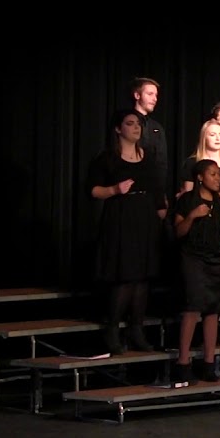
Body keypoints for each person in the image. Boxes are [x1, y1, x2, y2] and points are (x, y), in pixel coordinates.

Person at [86, 108, 168, 355]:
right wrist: (114, 190)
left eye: (138, 125)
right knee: (125, 275)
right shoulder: (108, 158)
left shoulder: (147, 156)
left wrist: (161, 210)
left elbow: (156, 188)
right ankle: (112, 328)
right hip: (121, 217)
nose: (136, 128)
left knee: (143, 277)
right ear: (118, 128)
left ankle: (136, 329)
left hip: (145, 218)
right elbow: (92, 190)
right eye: (130, 123)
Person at [171, 159, 220, 384]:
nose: (217, 178)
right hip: (193, 258)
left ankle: (209, 363)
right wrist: (193, 215)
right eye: (212, 174)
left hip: (217, 259)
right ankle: (183, 363)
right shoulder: (188, 200)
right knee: (192, 308)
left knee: (212, 310)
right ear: (200, 177)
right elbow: (178, 232)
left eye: (219, 175)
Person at [180, 119, 220, 246]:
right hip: (199, 218)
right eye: (212, 135)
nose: (217, 138)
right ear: (204, 137)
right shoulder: (192, 163)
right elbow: (188, 194)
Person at [130, 77, 170, 198]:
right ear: (137, 95)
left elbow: (161, 164)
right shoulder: (126, 122)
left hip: (152, 194)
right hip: (129, 191)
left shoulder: (157, 127)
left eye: (156, 95)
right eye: (150, 94)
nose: (155, 99)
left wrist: (161, 197)